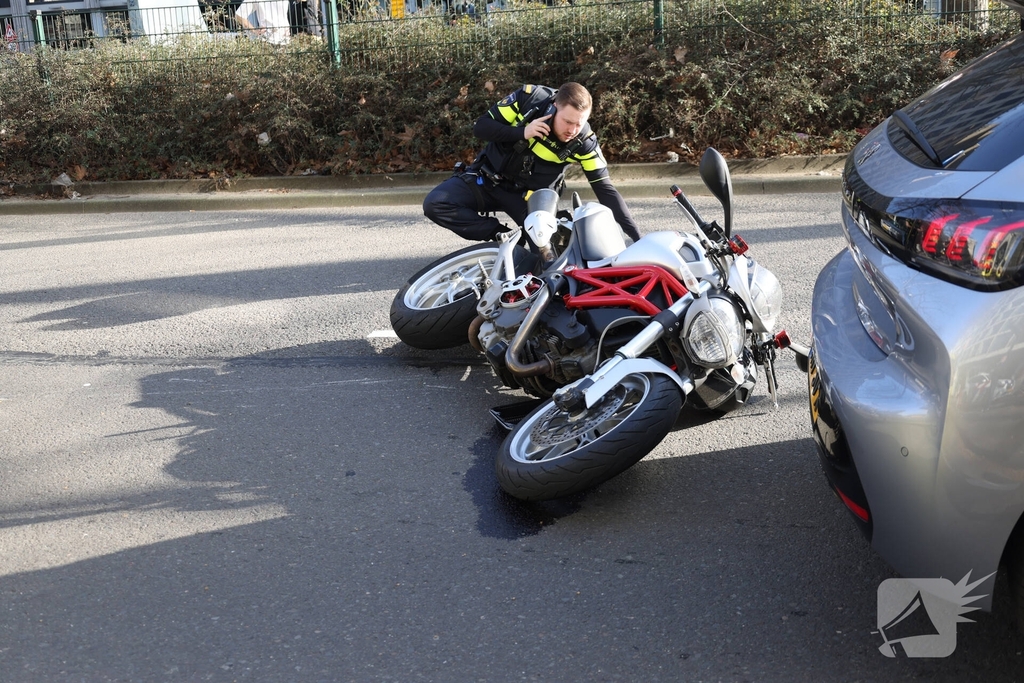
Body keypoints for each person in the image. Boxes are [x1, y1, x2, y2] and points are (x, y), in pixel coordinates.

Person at [423, 82, 641, 243]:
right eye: (567, 121)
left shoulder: (584, 142)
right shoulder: (530, 99)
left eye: (579, 123)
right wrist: (522, 132)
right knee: (436, 203)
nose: (572, 130)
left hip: (530, 198)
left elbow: (606, 191)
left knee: (549, 255)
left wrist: (637, 238)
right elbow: (481, 127)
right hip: (487, 179)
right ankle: (504, 236)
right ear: (555, 106)